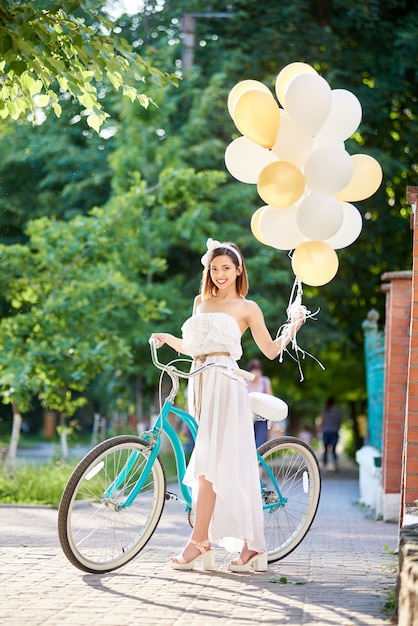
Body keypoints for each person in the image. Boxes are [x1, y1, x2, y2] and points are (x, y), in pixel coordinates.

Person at [151, 238, 305, 572]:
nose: (220, 274)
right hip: (200, 381)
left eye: (226, 268)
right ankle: (229, 544)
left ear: (239, 270)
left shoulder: (248, 307)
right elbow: (193, 348)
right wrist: (167, 338)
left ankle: (201, 542)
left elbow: (271, 350)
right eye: (215, 268)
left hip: (226, 383)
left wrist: (294, 325)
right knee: (215, 464)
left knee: (210, 465)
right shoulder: (199, 302)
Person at [246, 358, 273, 448]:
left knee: (260, 444)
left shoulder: (265, 381)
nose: (256, 373)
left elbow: (270, 398)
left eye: (258, 370)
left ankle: (258, 462)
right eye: (254, 370)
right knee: (247, 443)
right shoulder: (244, 381)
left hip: (261, 417)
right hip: (247, 417)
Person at [319, 397, 342, 471]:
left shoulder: (324, 412)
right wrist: (337, 428)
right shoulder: (337, 412)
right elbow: (340, 421)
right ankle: (335, 464)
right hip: (334, 431)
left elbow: (322, 422)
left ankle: (325, 465)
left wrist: (319, 430)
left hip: (326, 432)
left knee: (325, 449)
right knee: (334, 450)